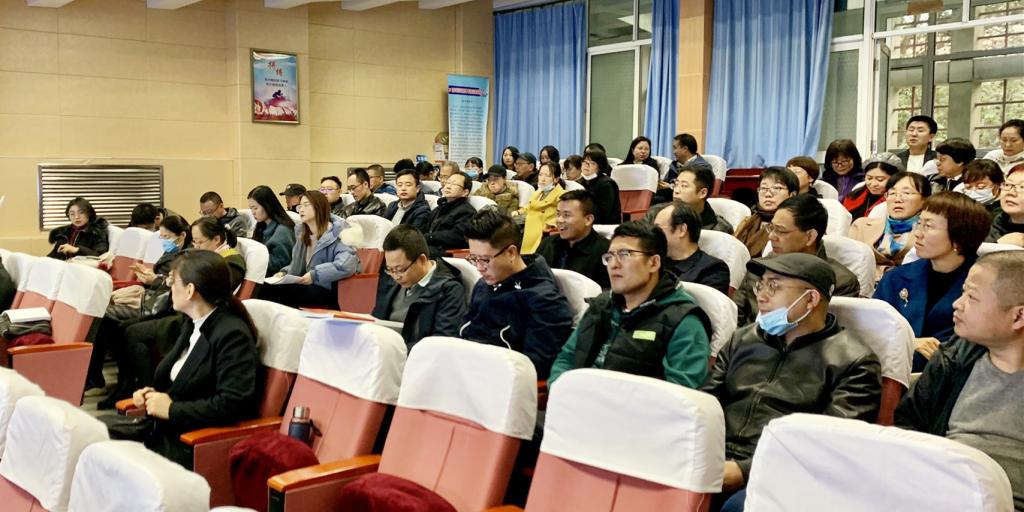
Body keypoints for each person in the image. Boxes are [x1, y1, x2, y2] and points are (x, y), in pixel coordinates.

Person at [705, 253, 882, 511]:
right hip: (714, 454)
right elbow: (706, 402)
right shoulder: (742, 339)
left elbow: (827, 446)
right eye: (760, 285)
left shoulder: (855, 362)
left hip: (784, 471)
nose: (761, 296)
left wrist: (744, 470)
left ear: (811, 299)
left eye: (774, 286)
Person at [893, 251, 1024, 510]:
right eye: (962, 292)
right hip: (938, 494)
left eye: (971, 297)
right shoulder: (953, 359)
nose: (957, 304)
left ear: (1018, 317)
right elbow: (907, 429)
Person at [127, 250, 260, 468]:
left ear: (190, 290)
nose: (170, 287)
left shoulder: (232, 334)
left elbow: (232, 403)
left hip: (192, 442)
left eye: (173, 282)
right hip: (163, 430)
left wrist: (172, 409)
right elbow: (181, 382)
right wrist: (152, 395)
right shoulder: (192, 322)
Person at [548, 221, 712, 387]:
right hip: (579, 398)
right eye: (610, 257)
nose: (614, 264)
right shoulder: (602, 305)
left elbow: (681, 392)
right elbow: (567, 358)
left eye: (624, 255)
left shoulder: (684, 321)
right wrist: (560, 390)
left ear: (654, 263)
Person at [874, 192, 991, 371]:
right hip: (889, 368)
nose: (918, 233)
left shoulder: (986, 286)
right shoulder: (897, 277)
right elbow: (873, 327)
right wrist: (909, 342)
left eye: (928, 226)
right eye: (919, 223)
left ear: (959, 236)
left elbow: (965, 350)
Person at [460, 210, 574, 379]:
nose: (479, 268)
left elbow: (534, 368)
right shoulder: (484, 284)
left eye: (485, 260)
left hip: (501, 381)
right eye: (473, 259)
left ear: (511, 252)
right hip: (468, 369)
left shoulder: (545, 301)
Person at [92, 215, 193, 406]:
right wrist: (150, 279)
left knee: (124, 328)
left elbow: (177, 286)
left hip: (169, 309)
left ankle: (140, 388)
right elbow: (165, 282)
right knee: (115, 326)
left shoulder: (189, 258)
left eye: (167, 237)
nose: (163, 241)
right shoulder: (173, 254)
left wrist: (155, 280)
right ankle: (125, 384)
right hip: (155, 301)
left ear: (181, 236)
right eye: (161, 237)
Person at [733, 194, 861, 326]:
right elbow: (735, 316)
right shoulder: (759, 267)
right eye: (771, 228)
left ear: (810, 236)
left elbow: (826, 330)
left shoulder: (841, 281)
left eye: (781, 231)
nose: (771, 236)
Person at [371, 225, 468, 350]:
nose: (396, 276)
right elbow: (377, 319)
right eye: (390, 269)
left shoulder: (449, 290)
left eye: (401, 269)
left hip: (415, 356)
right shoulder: (391, 280)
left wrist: (396, 351)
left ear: (422, 259)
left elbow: (441, 343)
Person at [261, 190, 359, 309]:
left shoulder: (338, 233)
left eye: (306, 205)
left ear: (319, 207)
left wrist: (314, 275)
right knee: (263, 287)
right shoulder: (303, 234)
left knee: (276, 293)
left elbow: (346, 265)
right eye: (300, 206)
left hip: (330, 291)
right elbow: (297, 265)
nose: (301, 210)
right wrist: (284, 273)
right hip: (308, 287)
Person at [848, 171, 931, 279]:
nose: (897, 199)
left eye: (907, 193)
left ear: (925, 200)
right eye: (892, 193)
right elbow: (848, 263)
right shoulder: (861, 226)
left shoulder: (930, 233)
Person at [535, 190, 612, 289]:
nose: (559, 220)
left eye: (566, 215)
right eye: (558, 214)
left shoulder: (606, 251)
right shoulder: (548, 243)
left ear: (588, 219)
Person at [652, 201, 731, 295]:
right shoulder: (654, 259)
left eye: (658, 229)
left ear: (681, 230)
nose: (653, 234)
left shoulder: (713, 269)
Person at [732, 167, 799, 258]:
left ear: (792, 195)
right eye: (763, 188)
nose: (768, 194)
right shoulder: (748, 220)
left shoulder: (795, 224)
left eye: (776, 188)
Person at [424, 171, 476, 258]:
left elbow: (458, 237)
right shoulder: (440, 207)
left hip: (448, 253)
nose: (448, 186)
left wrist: (430, 237)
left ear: (465, 192)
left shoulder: (467, 212)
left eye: (454, 184)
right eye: (448, 183)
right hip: (431, 247)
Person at [247, 185, 296, 276]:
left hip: (275, 279)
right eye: (251, 208)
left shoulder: (283, 230)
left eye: (255, 208)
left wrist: (251, 259)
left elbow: (282, 263)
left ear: (267, 206)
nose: (253, 212)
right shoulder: (261, 226)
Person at [518, 162, 565, 254]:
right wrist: (517, 213)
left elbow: (562, 215)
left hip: (545, 231)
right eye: (540, 175)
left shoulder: (561, 195)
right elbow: (527, 208)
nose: (542, 179)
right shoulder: (537, 193)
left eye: (547, 176)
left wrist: (551, 224)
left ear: (556, 179)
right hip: (527, 225)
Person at [672, 165, 733, 233]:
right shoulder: (664, 217)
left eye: (684, 186)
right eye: (676, 184)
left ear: (703, 193)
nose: (676, 191)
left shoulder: (721, 229)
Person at [843, 153, 902, 220]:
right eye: (869, 178)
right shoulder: (856, 193)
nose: (873, 184)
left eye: (880, 179)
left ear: (894, 178)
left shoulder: (898, 200)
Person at [579, 148, 622, 225]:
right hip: (585, 221)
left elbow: (604, 213)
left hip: (605, 225)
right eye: (585, 162)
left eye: (592, 163)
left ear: (600, 167)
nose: (587, 166)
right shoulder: (580, 182)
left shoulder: (606, 184)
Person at [988, 163, 1024, 244]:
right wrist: (998, 246)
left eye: (1022, 187)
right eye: (1007, 185)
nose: (1011, 192)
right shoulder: (987, 223)